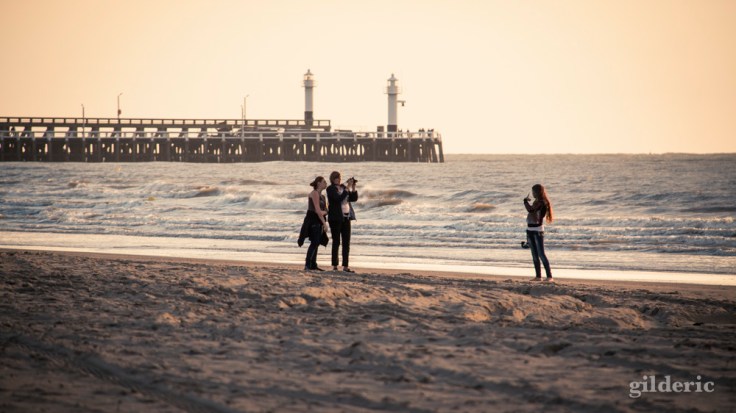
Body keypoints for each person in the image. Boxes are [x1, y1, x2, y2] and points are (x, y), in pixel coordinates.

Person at [326, 171, 358, 272]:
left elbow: (353, 199)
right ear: (332, 179)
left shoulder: (344, 187)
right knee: (336, 242)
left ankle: (345, 266)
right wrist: (347, 188)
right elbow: (338, 198)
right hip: (335, 218)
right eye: (336, 178)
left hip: (346, 217)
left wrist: (352, 187)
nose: (338, 179)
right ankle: (335, 265)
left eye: (339, 177)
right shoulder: (330, 189)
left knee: (346, 242)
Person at [524, 184, 554, 282]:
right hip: (530, 230)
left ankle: (549, 277)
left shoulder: (541, 203)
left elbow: (531, 210)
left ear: (537, 192)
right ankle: (538, 276)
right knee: (534, 255)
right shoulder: (536, 202)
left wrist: (525, 202)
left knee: (541, 254)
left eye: (533, 192)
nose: (532, 194)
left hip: (538, 231)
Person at [303, 176, 328, 271]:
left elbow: (325, 210)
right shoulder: (314, 193)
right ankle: (307, 265)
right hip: (313, 220)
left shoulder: (323, 196)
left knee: (317, 242)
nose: (326, 183)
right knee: (314, 242)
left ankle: (313, 264)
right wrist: (324, 223)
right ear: (318, 183)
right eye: (324, 182)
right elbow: (318, 210)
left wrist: (324, 214)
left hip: (319, 220)